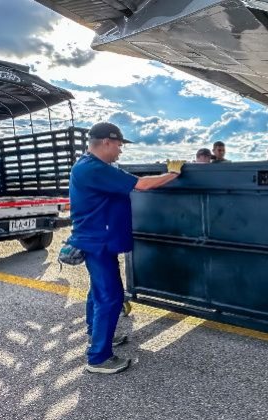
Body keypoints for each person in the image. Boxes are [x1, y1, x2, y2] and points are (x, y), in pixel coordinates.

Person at [69, 122, 184, 374]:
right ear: (107, 142)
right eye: (119, 145)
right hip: (98, 243)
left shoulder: (89, 166)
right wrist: (173, 174)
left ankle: (97, 335)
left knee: (98, 292)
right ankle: (98, 357)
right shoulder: (95, 169)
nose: (120, 151)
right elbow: (142, 184)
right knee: (110, 297)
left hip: (97, 241)